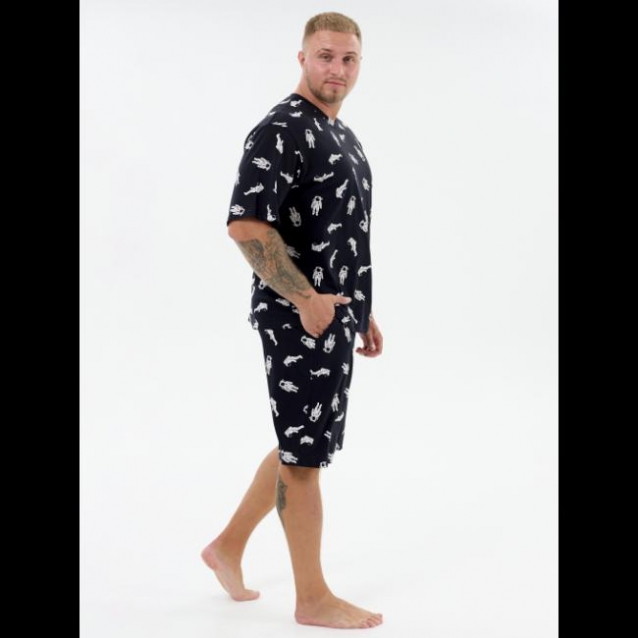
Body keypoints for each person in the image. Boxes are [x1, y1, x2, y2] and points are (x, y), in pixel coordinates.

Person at [202, 12, 384, 629]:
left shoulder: (342, 134)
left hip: (332, 315)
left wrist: (361, 308)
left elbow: (339, 232)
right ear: (303, 58)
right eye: (326, 56)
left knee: (298, 443)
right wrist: (306, 299)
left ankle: (226, 548)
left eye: (349, 59)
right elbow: (246, 225)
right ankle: (313, 599)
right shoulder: (281, 128)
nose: (338, 69)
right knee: (304, 460)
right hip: (297, 317)